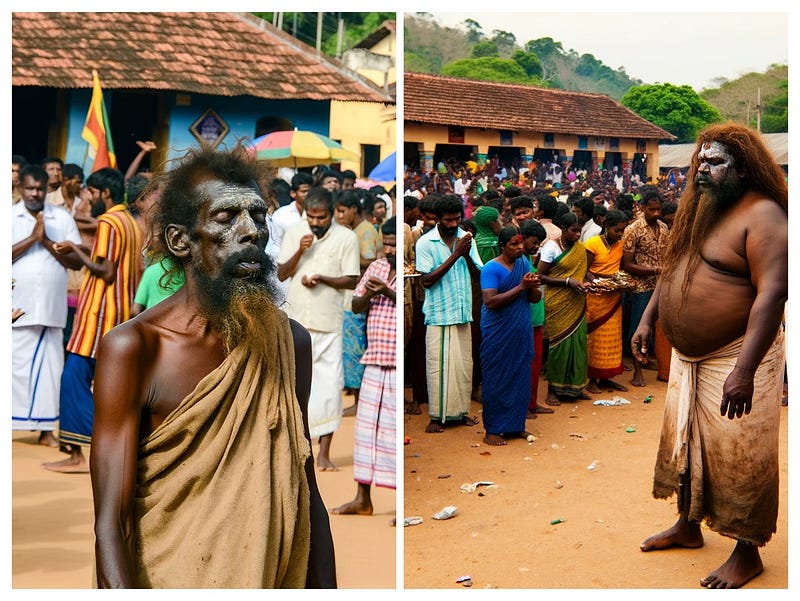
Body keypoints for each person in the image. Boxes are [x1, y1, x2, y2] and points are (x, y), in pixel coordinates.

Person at [89, 147, 336, 588]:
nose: (251, 233)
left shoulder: (290, 342)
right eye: (226, 218)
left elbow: (304, 487)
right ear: (180, 241)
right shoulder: (134, 348)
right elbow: (111, 523)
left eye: (258, 216)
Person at [633, 123, 787, 589]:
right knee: (686, 444)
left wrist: (744, 371)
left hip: (740, 357)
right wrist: (646, 321)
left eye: (715, 162)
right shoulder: (697, 208)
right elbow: (671, 267)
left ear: (743, 168)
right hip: (687, 358)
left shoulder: (764, 216)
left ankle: (747, 551)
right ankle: (687, 524)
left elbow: (772, 295)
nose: (702, 168)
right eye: (700, 160)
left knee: (742, 452)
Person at [43, 167, 144, 472]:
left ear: (106, 193)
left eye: (93, 192)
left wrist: (75, 248)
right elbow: (110, 259)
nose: (89, 197)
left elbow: (106, 271)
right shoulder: (131, 222)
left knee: (73, 378)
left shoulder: (110, 221)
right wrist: (84, 250)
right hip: (120, 314)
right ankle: (98, 449)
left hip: (99, 315)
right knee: (106, 387)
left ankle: (95, 447)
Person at [278, 186, 360, 471]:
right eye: (311, 217)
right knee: (294, 388)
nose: (315, 222)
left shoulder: (346, 237)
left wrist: (323, 278)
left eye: (321, 217)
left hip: (329, 324)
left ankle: (323, 452)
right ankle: (299, 451)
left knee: (329, 388)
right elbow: (281, 273)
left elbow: (352, 279)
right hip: (296, 321)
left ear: (330, 213)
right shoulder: (293, 232)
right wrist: (300, 251)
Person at [12, 165, 83, 447]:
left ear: (46, 189)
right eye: (29, 188)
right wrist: (33, 238)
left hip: (50, 309)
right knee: (13, 370)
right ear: (20, 189)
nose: (34, 193)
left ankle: (44, 431)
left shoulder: (62, 217)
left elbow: (76, 261)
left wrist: (46, 240)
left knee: (50, 373)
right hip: (16, 309)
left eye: (39, 188)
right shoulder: (10, 215)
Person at [332, 217, 397, 515]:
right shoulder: (377, 267)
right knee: (366, 432)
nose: (389, 249)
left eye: (395, 245)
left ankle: (399, 506)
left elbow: (412, 302)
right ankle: (363, 499)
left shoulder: (412, 268)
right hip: (374, 358)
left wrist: (387, 292)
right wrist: (371, 293)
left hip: (398, 362)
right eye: (386, 243)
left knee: (393, 434)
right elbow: (356, 306)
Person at [415, 194, 483, 433]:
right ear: (438, 220)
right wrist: (456, 255)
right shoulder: (425, 242)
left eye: (456, 219)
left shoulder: (467, 239)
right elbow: (427, 280)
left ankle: (461, 412)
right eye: (448, 220)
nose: (453, 224)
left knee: (463, 366)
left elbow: (479, 275)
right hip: (438, 312)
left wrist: (465, 254)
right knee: (438, 366)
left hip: (462, 310)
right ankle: (437, 416)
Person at [479, 226, 541, 445]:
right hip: (498, 332)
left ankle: (515, 426)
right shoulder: (490, 269)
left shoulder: (524, 263)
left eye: (521, 243)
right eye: (514, 245)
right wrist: (521, 287)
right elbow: (490, 301)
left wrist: (532, 287)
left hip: (521, 329)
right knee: (497, 378)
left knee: (520, 376)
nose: (520, 248)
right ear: (502, 246)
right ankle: (493, 430)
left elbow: (534, 298)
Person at [536, 211, 590, 406]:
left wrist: (592, 282)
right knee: (559, 346)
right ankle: (553, 390)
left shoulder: (580, 248)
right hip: (558, 301)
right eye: (574, 231)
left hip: (577, 301)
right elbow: (540, 276)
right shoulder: (551, 246)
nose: (577, 235)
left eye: (580, 231)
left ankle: (576, 387)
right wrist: (567, 282)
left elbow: (584, 273)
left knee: (578, 345)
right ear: (564, 230)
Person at [622, 188, 668, 387]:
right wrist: (655, 270)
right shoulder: (633, 229)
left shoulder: (664, 227)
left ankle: (648, 359)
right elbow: (627, 264)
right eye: (652, 210)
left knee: (659, 326)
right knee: (638, 327)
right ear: (642, 208)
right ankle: (637, 372)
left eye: (658, 210)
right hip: (641, 285)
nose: (656, 213)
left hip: (661, 285)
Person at [584, 210, 629, 393]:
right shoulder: (592, 243)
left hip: (614, 297)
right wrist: (596, 280)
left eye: (622, 231)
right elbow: (585, 270)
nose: (620, 234)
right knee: (595, 340)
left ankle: (607, 377)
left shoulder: (621, 244)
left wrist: (622, 282)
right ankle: (592, 379)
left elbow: (622, 268)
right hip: (596, 297)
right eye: (617, 230)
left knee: (612, 340)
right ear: (607, 227)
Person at [520, 219, 552, 418]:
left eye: (539, 243)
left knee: (534, 364)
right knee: (525, 365)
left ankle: (532, 402)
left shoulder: (528, 261)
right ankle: (524, 405)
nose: (536, 247)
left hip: (536, 318)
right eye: (533, 242)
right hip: (526, 320)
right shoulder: (519, 262)